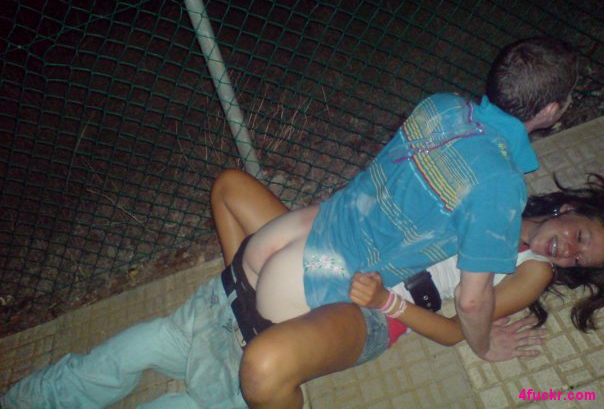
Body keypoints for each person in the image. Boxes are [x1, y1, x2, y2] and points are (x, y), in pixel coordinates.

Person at [1, 169, 602, 408]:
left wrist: (393, 304)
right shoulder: (499, 187)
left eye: (583, 258)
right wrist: (258, 281)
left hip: (374, 307)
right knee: (230, 186)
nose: (570, 250)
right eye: (581, 236)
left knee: (254, 371)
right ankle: (243, 310)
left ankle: (254, 361)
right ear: (570, 209)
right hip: (335, 253)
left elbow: (455, 326)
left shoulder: (533, 269)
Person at [238, 36, 581, 405]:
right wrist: (484, 346)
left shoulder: (442, 104)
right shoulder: (500, 184)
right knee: (268, 373)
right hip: (308, 281)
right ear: (550, 110)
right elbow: (470, 301)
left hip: (278, 236)